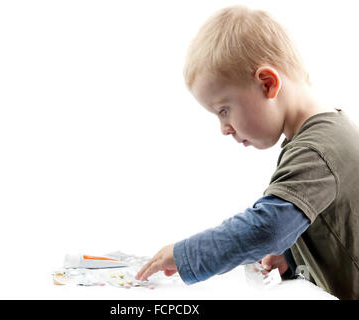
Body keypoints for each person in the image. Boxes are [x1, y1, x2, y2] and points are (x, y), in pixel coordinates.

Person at [135, 5, 359, 299]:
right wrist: (290, 256)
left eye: (224, 110)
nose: (224, 128)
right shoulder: (325, 135)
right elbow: (334, 225)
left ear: (268, 84)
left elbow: (268, 227)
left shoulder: (316, 149)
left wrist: (185, 255)